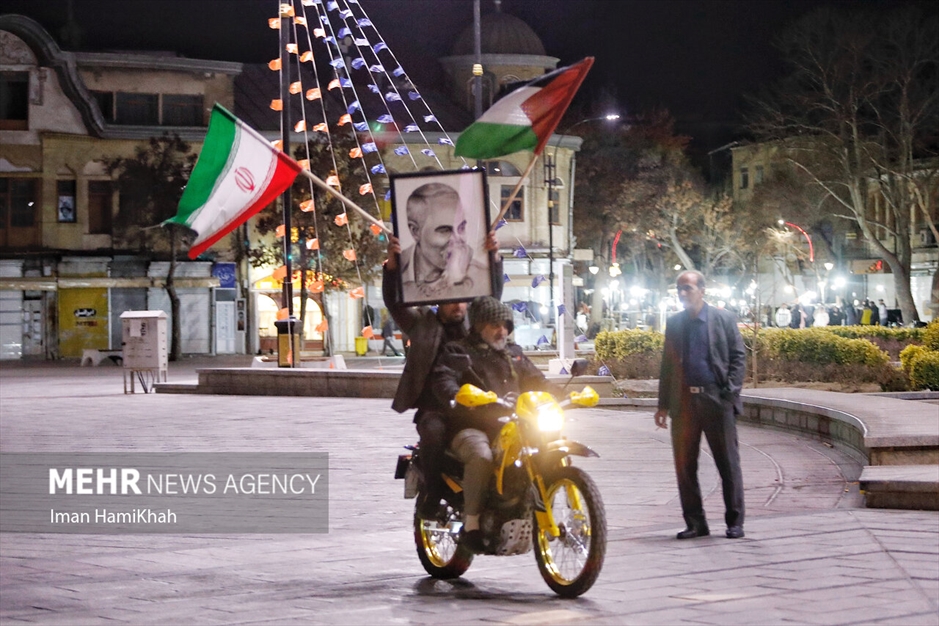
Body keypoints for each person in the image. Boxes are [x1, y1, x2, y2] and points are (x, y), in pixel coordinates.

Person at [383, 231, 503, 519]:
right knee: (433, 434)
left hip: (476, 404)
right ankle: (433, 493)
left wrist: (494, 257)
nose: (458, 305)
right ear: (439, 299)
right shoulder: (422, 322)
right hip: (435, 407)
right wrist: (391, 265)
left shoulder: (475, 327)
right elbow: (395, 304)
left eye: (462, 300)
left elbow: (493, 298)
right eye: (451, 300)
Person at [432, 296, 554, 552]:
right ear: (477, 326)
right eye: (494, 324)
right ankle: (472, 524)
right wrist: (456, 395)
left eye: (505, 325)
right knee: (482, 457)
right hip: (472, 426)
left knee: (548, 445)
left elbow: (538, 381)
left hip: (514, 425)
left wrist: (565, 395)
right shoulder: (459, 350)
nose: (501, 331)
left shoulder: (514, 354)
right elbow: (445, 378)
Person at [654, 270, 747, 540]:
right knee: (685, 466)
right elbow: (667, 365)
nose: (683, 294)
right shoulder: (675, 323)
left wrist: (730, 392)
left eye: (688, 288)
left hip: (716, 400)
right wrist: (663, 405)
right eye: (679, 289)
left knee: (728, 463)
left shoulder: (723, 319)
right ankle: (696, 523)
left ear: (702, 290)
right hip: (684, 403)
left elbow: (738, 357)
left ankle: (735, 521)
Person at [399, 182, 491, 302]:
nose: (458, 240)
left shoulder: (481, 277)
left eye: (461, 228)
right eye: (445, 230)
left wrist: (458, 282)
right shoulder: (399, 273)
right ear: (415, 231)